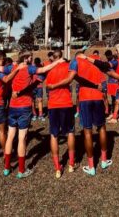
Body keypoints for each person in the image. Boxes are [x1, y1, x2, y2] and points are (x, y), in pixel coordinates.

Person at [49, 51, 119, 176]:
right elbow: (108, 72)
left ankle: (91, 166)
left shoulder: (75, 62)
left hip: (85, 98)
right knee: (101, 128)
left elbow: (72, 78)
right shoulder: (94, 60)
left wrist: (53, 86)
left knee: (87, 131)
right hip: (97, 98)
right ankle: (104, 160)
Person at [0, 51, 64, 179]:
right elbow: (44, 69)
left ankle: (7, 168)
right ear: (26, 58)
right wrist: (58, 61)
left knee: (10, 136)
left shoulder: (12, 67)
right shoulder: (30, 68)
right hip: (24, 107)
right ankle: (21, 170)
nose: (32, 59)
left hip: (12, 106)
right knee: (22, 138)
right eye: (31, 57)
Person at [44, 50, 76, 179]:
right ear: (61, 57)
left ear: (53, 58)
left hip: (53, 105)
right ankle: (71, 164)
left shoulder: (48, 69)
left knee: (54, 135)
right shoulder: (67, 66)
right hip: (66, 103)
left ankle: (57, 167)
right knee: (70, 132)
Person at [104, 50, 119, 124]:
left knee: (118, 100)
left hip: (116, 83)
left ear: (111, 55)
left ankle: (118, 115)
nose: (107, 57)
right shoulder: (108, 61)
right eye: (106, 56)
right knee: (113, 99)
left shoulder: (115, 61)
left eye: (108, 56)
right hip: (110, 83)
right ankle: (113, 113)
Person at [32, 57, 45, 122]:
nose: (37, 64)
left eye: (38, 63)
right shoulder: (31, 67)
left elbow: (43, 77)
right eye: (36, 63)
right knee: (32, 101)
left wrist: (39, 79)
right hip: (32, 87)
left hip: (39, 86)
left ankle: (40, 114)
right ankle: (34, 114)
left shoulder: (41, 68)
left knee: (40, 100)